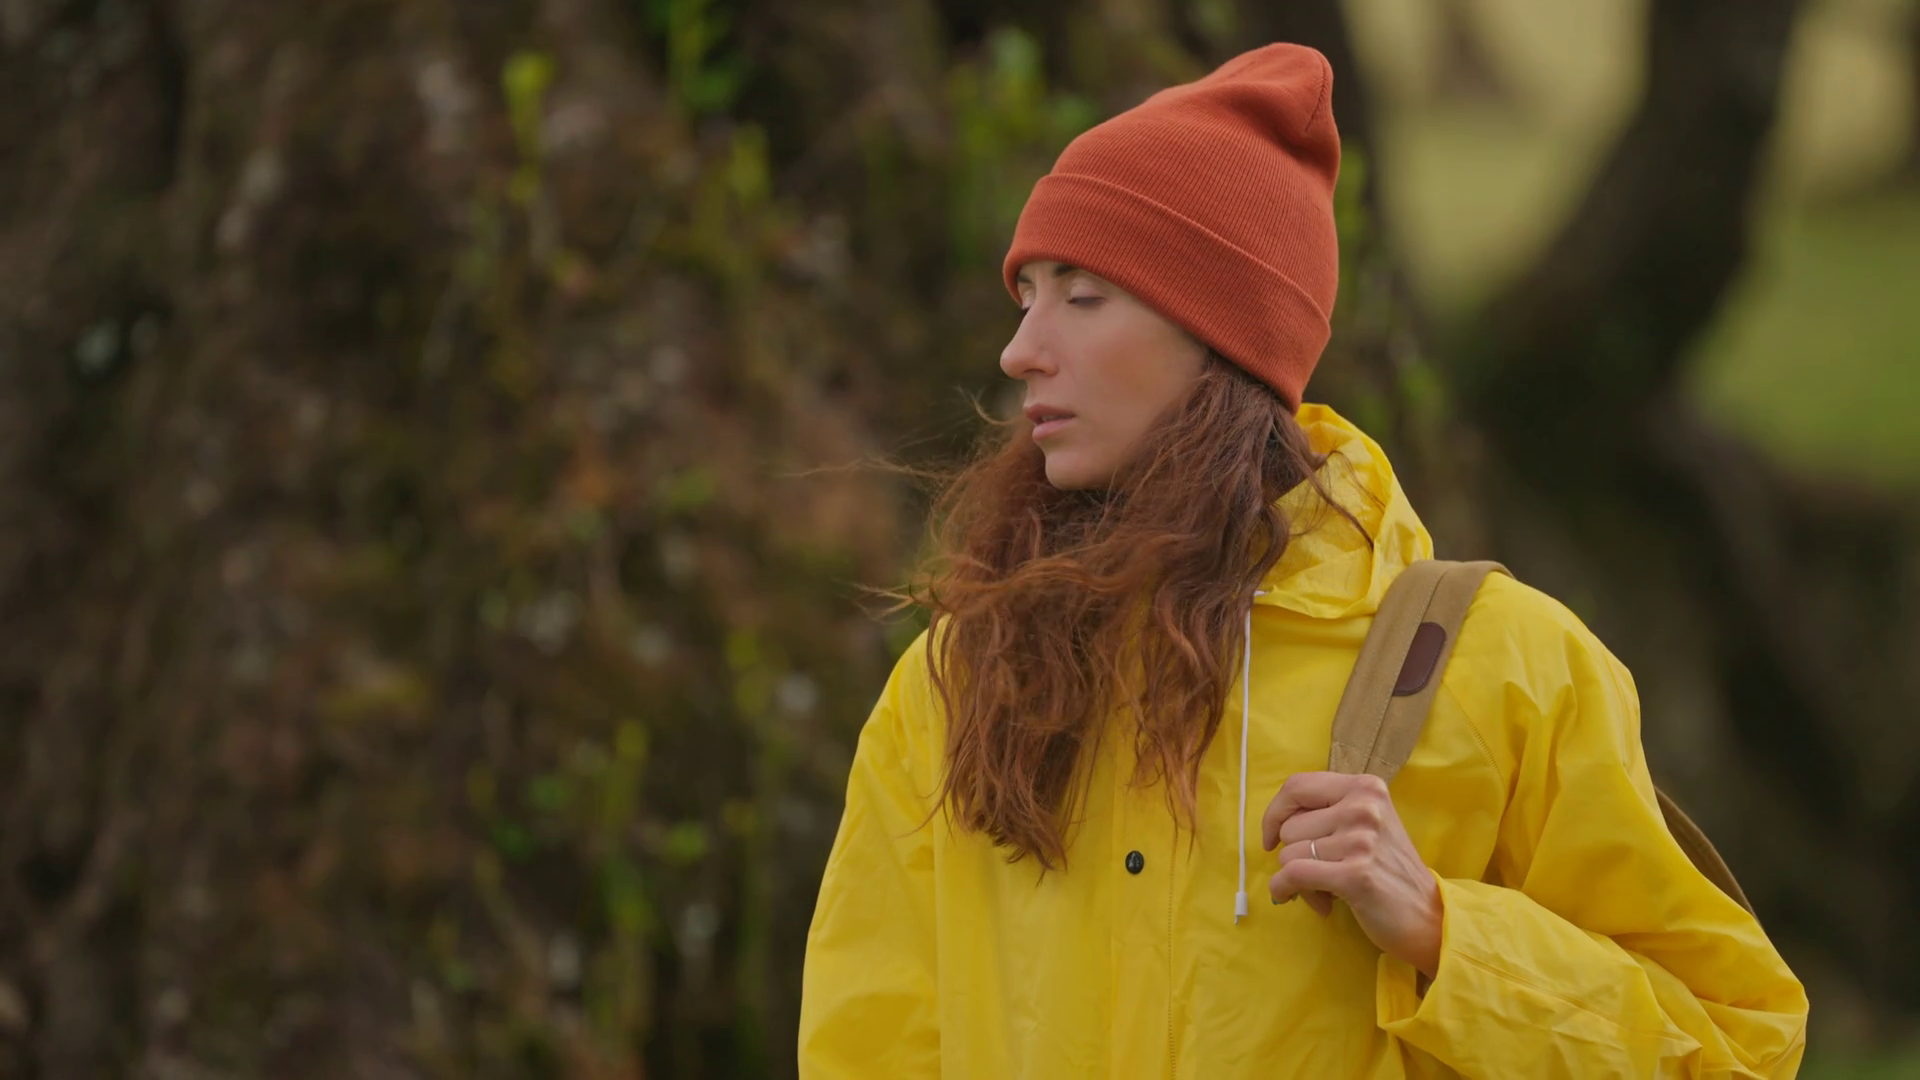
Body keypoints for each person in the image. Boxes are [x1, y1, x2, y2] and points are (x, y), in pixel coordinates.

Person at [797, 42, 1809, 1079]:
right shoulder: (961, 679)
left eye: (1083, 296)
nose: (1021, 351)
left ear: (1221, 335)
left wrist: (1446, 934)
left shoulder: (1501, 669)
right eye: (1027, 299)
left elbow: (1737, 1048)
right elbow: (867, 1050)